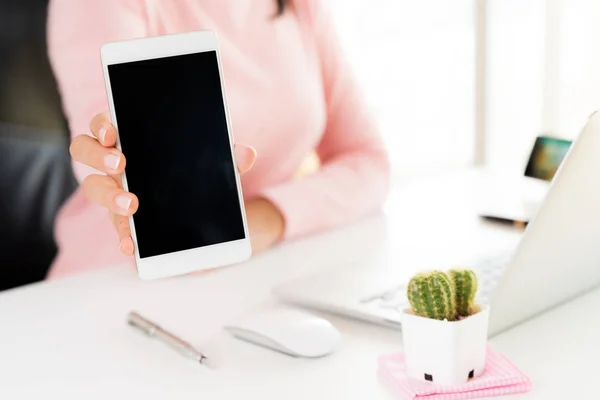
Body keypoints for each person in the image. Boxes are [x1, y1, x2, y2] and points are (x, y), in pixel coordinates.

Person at [47, 0, 390, 278]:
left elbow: (368, 161)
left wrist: (267, 217)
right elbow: (102, 132)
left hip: (253, 273)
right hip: (112, 281)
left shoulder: (299, 6)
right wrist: (110, 166)